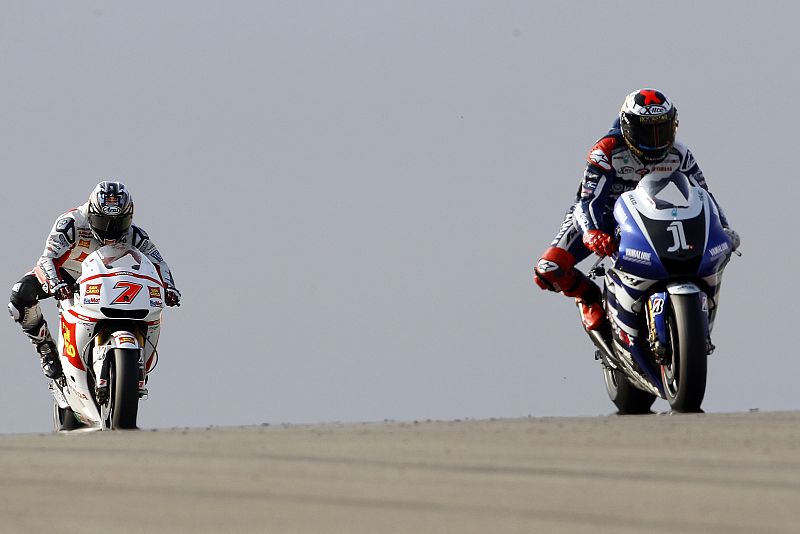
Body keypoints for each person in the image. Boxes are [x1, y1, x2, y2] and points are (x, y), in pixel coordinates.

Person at [533, 88, 739, 330]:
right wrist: (592, 232)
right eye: (646, 132)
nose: (655, 140)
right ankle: (587, 296)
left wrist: (723, 228)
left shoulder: (680, 153)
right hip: (600, 219)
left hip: (647, 217)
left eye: (661, 130)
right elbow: (586, 201)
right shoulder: (605, 152)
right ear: (627, 128)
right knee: (548, 269)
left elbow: (705, 195)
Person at [8, 181, 181, 379]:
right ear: (91, 212)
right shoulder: (71, 223)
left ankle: (135, 359)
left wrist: (170, 287)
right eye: (102, 221)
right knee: (20, 296)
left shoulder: (135, 234)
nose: (110, 230)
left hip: (109, 280)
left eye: (119, 222)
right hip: (67, 275)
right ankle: (45, 347)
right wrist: (56, 283)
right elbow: (47, 258)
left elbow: (158, 262)